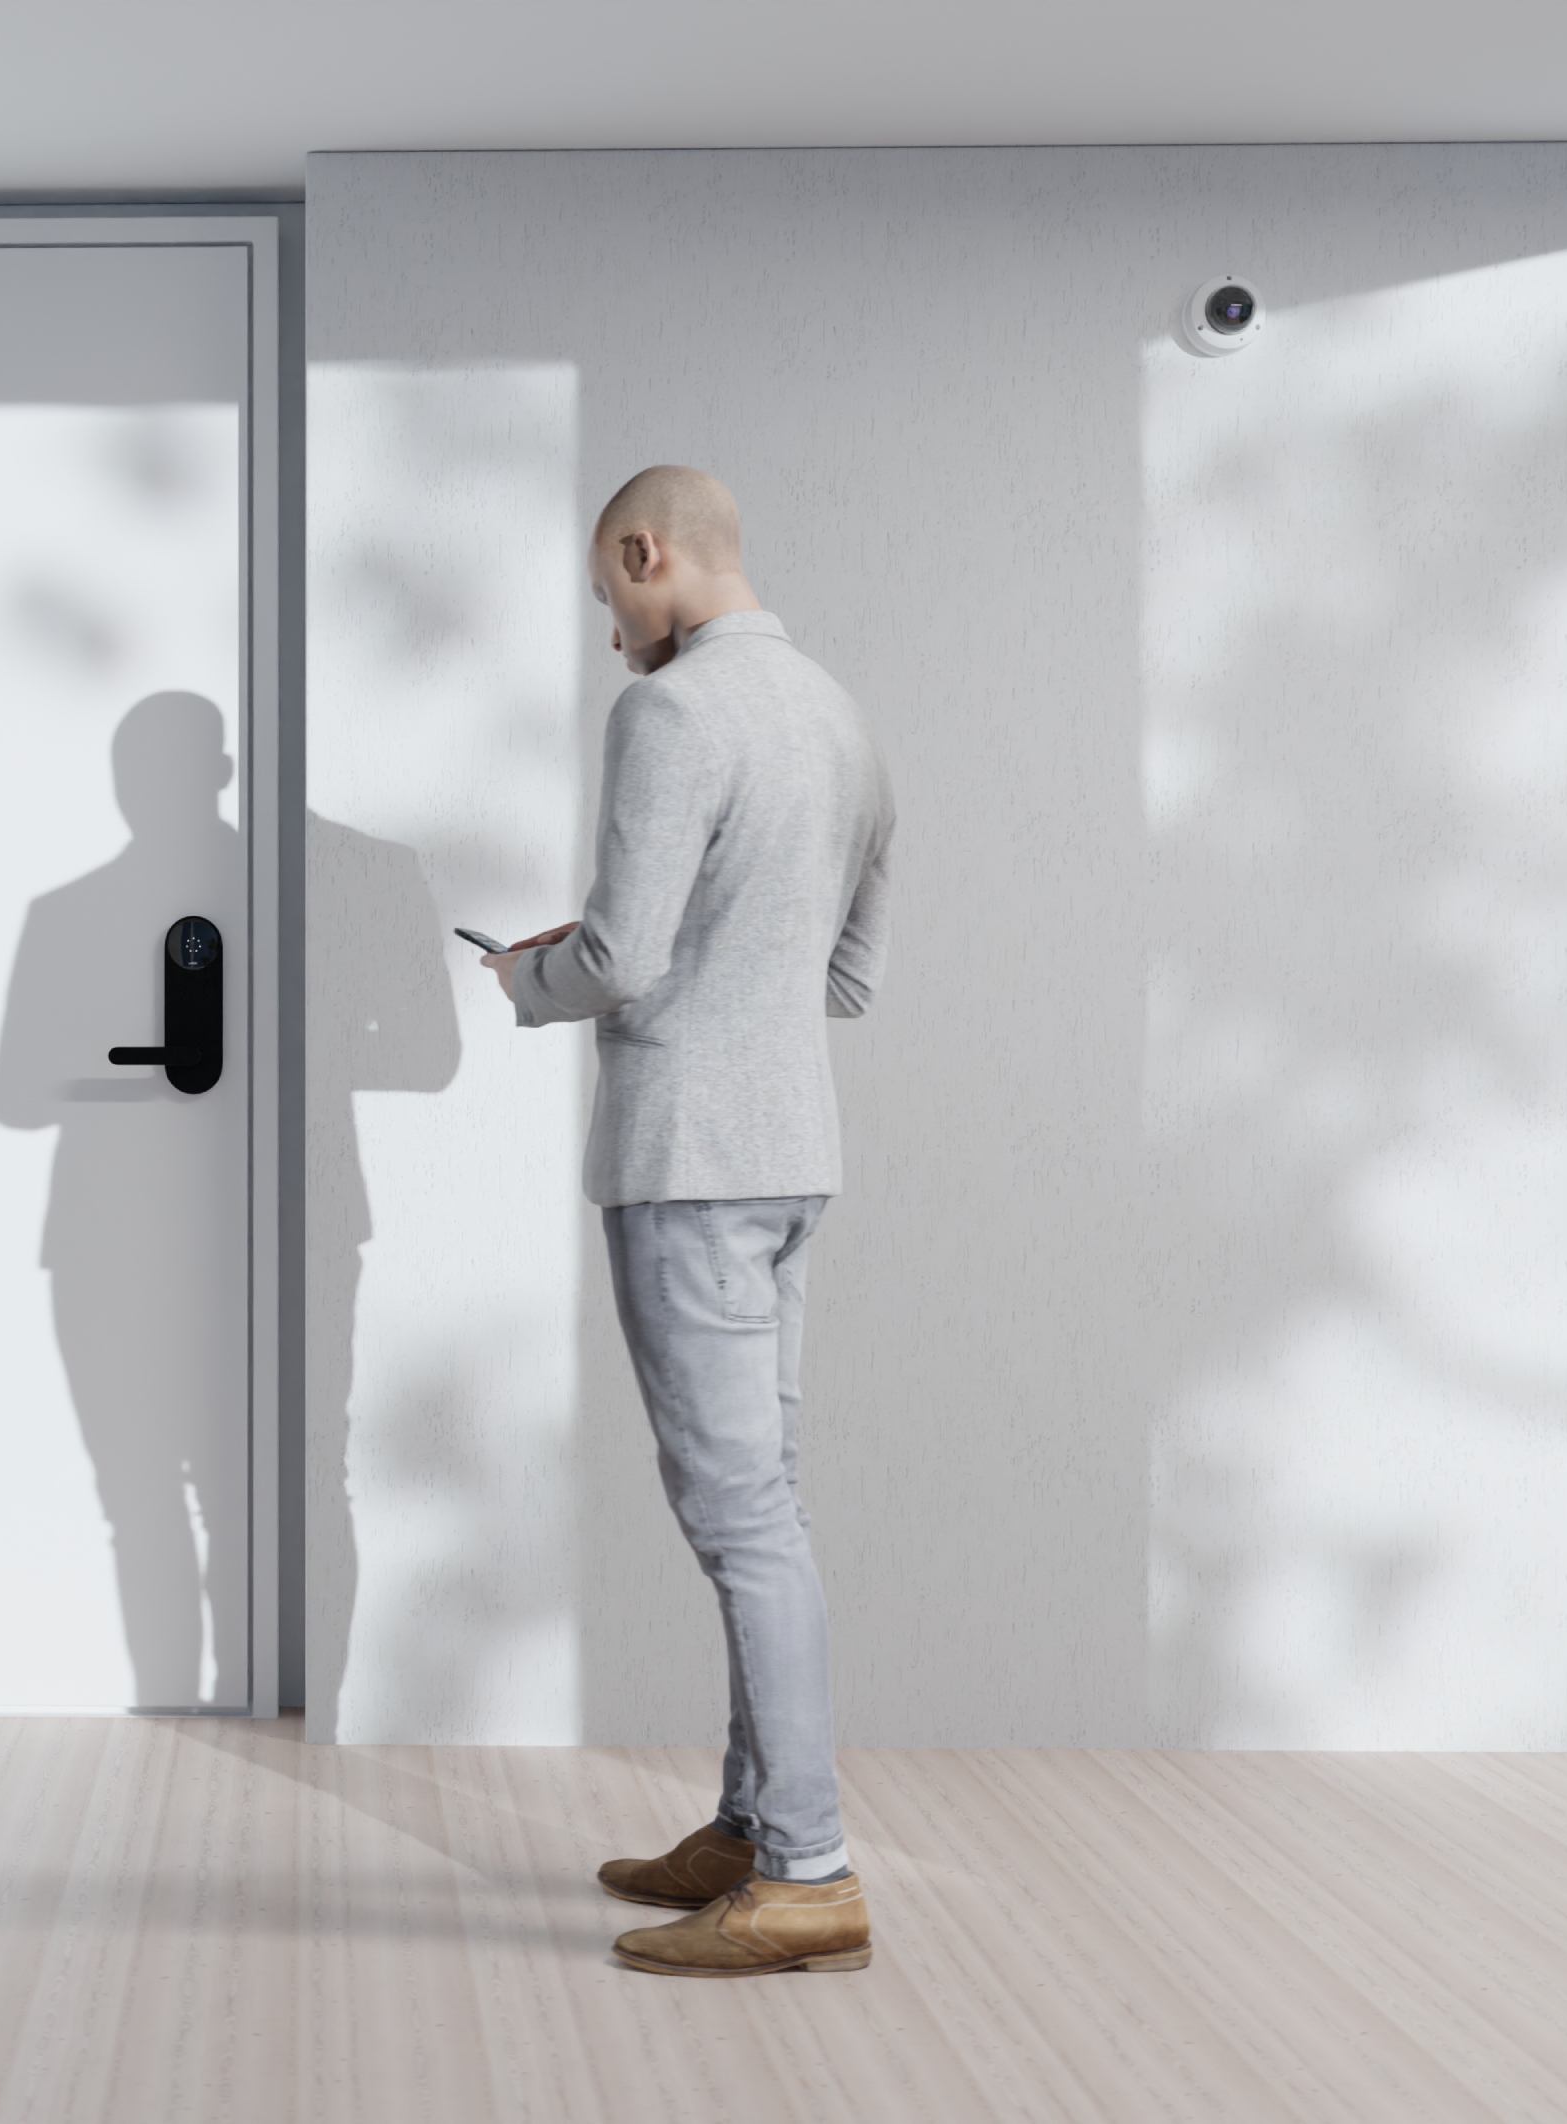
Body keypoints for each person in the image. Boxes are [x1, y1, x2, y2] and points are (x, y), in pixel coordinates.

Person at [483, 465, 893, 1978]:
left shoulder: (667, 714)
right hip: (794, 1160)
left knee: (742, 1521)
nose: (613, 637)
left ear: (650, 553)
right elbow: (844, 980)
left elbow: (626, 959)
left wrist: (533, 977)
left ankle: (811, 1874)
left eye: (612, 597)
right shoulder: (844, 719)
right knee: (765, 1500)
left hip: (688, 1165)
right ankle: (748, 1822)